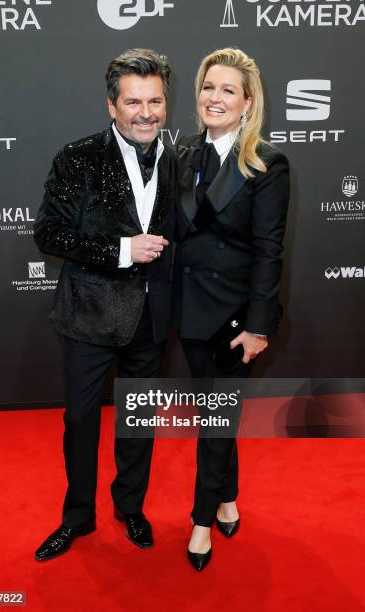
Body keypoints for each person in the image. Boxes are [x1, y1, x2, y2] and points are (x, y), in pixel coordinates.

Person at [33, 48, 176, 561]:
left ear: (165, 103)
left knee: (137, 423)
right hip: (89, 316)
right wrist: (121, 251)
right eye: (133, 101)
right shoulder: (79, 157)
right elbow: (48, 234)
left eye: (155, 100)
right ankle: (77, 517)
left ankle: (130, 507)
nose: (146, 112)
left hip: (150, 318)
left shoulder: (174, 157)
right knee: (81, 423)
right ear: (112, 106)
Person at [174, 48, 290, 571]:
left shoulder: (266, 162)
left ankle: (201, 520)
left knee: (216, 421)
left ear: (247, 103)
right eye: (208, 87)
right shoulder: (183, 157)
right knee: (213, 416)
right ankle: (226, 498)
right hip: (189, 312)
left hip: (236, 320)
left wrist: (260, 325)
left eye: (227, 90)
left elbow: (270, 249)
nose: (214, 98)